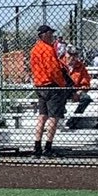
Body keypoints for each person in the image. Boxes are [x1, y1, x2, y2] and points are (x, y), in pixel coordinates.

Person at [30, 24, 69, 159]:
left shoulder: (35, 49)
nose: (52, 36)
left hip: (39, 85)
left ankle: (37, 147)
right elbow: (53, 70)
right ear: (44, 35)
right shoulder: (47, 49)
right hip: (51, 85)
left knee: (42, 116)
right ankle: (48, 147)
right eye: (50, 33)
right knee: (53, 117)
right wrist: (62, 84)